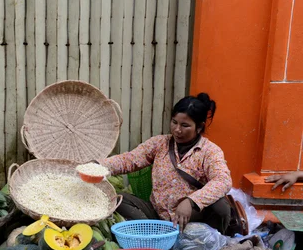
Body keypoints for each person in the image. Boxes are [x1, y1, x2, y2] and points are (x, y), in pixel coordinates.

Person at [97, 93, 233, 233]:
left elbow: (223, 180)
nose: (177, 130)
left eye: (185, 125)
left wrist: (191, 201)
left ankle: (208, 245)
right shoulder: (160, 144)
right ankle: (152, 233)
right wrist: (98, 165)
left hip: (191, 218)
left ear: (199, 127)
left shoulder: (209, 151)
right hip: (157, 215)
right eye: (174, 122)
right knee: (118, 198)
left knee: (221, 207)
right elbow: (129, 159)